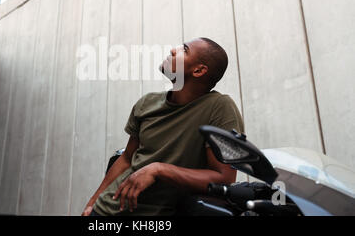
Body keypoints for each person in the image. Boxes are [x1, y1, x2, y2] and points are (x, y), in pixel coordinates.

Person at [82, 37, 244, 216]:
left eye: (184, 49)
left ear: (199, 70)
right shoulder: (146, 103)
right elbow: (127, 158)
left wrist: (159, 170)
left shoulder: (219, 108)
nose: (173, 50)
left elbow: (224, 179)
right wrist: (92, 203)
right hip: (105, 210)